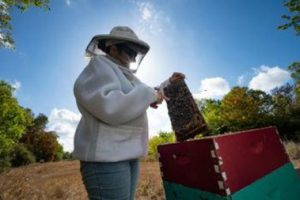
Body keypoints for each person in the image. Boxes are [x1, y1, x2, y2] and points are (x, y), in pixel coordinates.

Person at [73, 26, 184, 200]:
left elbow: (142, 92)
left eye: (135, 54)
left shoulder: (124, 74)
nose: (133, 58)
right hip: (105, 159)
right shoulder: (99, 65)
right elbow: (110, 107)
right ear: (113, 48)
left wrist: (168, 83)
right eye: (130, 52)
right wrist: (149, 96)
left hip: (127, 154)